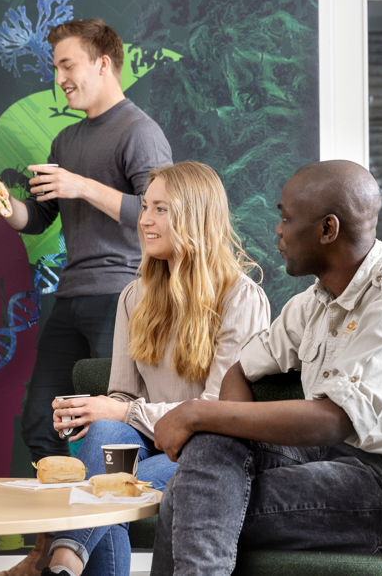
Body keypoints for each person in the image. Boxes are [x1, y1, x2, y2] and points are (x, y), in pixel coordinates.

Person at [148, 160, 382, 576]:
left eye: (286, 218)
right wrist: (225, 433)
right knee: (211, 444)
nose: (277, 230)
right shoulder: (314, 302)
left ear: (327, 229)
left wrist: (196, 412)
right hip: (328, 457)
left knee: (191, 496)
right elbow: (240, 369)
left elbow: (332, 421)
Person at [0, 20, 172, 574]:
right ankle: (51, 551)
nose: (58, 77)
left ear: (103, 63)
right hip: (70, 297)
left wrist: (80, 185)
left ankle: (73, 557)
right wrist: (6, 207)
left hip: (126, 299)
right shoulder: (66, 140)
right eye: (55, 66)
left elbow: (161, 214)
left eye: (67, 64)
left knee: (106, 440)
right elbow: (40, 217)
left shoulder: (140, 132)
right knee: (42, 424)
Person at [42, 162, 271, 576]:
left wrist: (123, 411)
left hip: (210, 449)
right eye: (146, 207)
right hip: (150, 439)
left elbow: (218, 412)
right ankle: (66, 563)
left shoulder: (241, 298)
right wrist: (94, 412)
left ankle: (63, 561)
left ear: (195, 216)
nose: (144, 220)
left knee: (106, 480)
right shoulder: (134, 296)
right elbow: (123, 396)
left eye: (160, 209)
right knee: (105, 433)